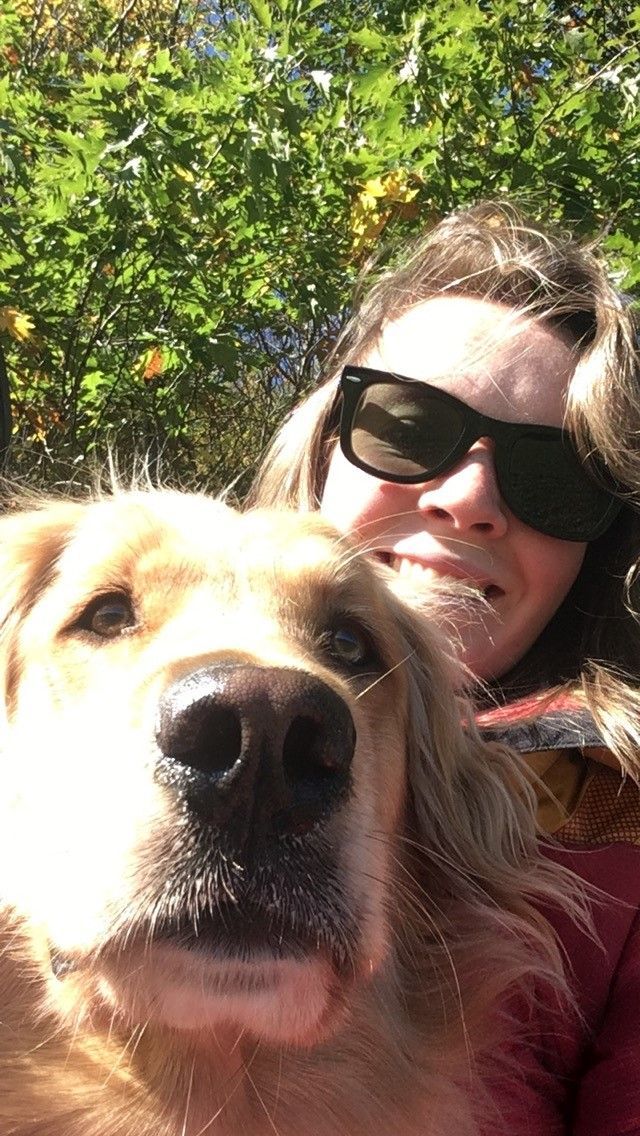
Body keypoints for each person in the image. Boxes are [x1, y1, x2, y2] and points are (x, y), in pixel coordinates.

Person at [249, 201, 640, 1134]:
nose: (468, 501)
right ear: (321, 451)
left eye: (554, 478)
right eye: (409, 425)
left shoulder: (620, 821)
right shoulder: (71, 705)